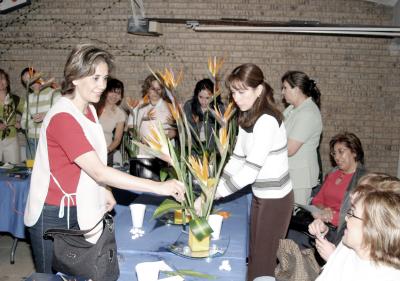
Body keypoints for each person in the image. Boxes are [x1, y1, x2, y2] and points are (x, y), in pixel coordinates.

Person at [24, 44, 185, 274]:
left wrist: (105, 189)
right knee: (51, 277)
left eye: (105, 78)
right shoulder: (63, 117)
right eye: (95, 78)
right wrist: (159, 188)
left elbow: (94, 159)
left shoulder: (88, 109)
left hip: (79, 205)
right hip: (54, 213)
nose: (102, 85)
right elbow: (98, 170)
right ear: (75, 77)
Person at [209, 63, 294, 280]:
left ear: (258, 90)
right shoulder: (248, 116)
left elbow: (250, 171)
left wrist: (213, 195)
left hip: (276, 200)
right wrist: (215, 187)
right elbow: (237, 159)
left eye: (242, 91)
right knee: (255, 254)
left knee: (263, 260)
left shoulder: (266, 121)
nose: (236, 98)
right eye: (234, 92)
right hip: (262, 196)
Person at [314, 179, 400, 281]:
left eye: (353, 213)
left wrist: (333, 258)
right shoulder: (349, 245)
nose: (346, 218)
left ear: (372, 228)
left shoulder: (386, 276)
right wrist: (333, 255)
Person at [281, 71, 322, 205]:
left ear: (297, 89)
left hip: (299, 178)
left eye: (285, 88)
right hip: (288, 173)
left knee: (295, 218)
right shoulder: (292, 109)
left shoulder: (308, 113)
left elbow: (289, 149)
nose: (282, 92)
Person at [20, 67, 61, 159]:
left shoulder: (54, 93)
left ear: (37, 76)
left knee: (48, 170)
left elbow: (61, 115)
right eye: (27, 82)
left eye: (31, 78)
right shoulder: (29, 98)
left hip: (48, 139)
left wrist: (46, 116)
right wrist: (33, 121)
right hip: (31, 141)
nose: (30, 83)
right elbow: (23, 124)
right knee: (32, 171)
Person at [183, 78, 224, 153]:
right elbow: (184, 129)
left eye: (207, 98)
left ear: (214, 96)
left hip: (213, 152)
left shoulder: (219, 108)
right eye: (200, 97)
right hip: (194, 150)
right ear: (196, 95)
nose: (204, 101)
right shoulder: (189, 106)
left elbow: (224, 131)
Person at [95, 78, 127, 165]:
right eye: (112, 91)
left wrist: (107, 150)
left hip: (106, 152)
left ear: (121, 96)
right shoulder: (95, 106)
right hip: (89, 150)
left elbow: (117, 139)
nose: (114, 95)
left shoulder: (120, 114)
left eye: (118, 93)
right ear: (106, 92)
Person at [0, 68, 24, 164]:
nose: (0, 81)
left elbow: (29, 111)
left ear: (7, 81)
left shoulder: (15, 99)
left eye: (2, 78)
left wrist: (21, 123)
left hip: (11, 139)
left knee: (13, 169)